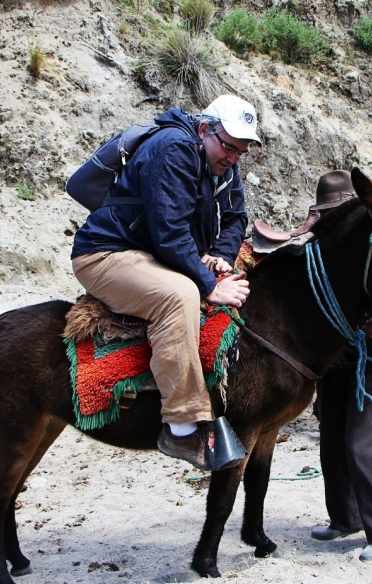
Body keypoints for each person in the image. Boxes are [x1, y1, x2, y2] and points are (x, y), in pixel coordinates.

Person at [70, 95, 260, 471]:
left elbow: (237, 217)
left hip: (153, 253)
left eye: (241, 151)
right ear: (205, 130)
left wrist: (221, 255)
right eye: (229, 147)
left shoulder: (222, 160)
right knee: (179, 296)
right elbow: (169, 232)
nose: (233, 158)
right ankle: (181, 424)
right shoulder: (172, 148)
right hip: (108, 254)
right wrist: (209, 284)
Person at [309, 170, 372, 564]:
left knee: (364, 444)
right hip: (330, 361)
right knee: (331, 442)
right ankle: (345, 517)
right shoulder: (314, 249)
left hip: (369, 360)